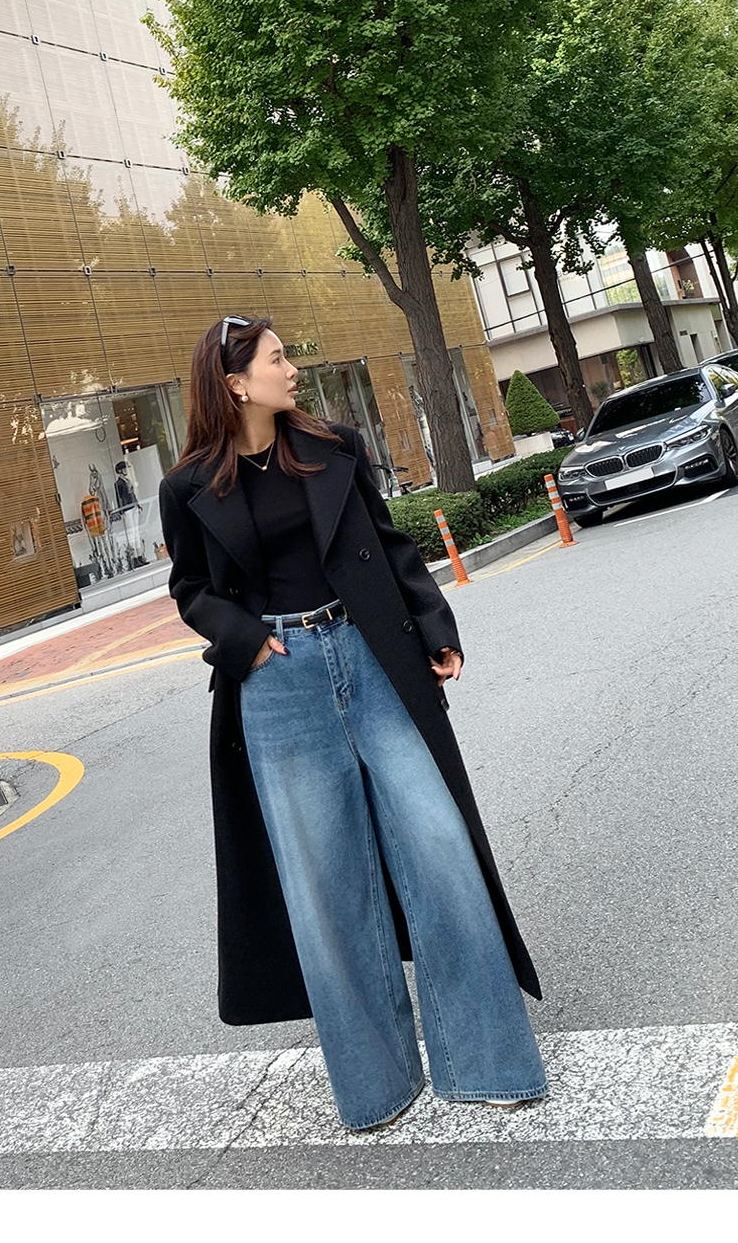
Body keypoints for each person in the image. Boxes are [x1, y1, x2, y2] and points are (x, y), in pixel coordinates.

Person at [159, 316, 547, 1136]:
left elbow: (390, 543)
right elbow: (191, 588)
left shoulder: (332, 446)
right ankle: (377, 1086)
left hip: (370, 657)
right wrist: (246, 642)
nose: (292, 368)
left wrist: (432, 625)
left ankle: (485, 1061)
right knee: (326, 889)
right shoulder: (187, 487)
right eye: (277, 358)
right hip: (279, 684)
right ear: (235, 383)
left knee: (439, 846)